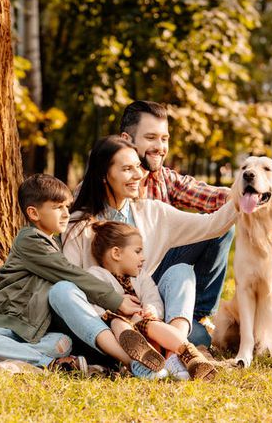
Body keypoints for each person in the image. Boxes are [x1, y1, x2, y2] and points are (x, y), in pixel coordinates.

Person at [48, 136, 237, 370]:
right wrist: (115, 304)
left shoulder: (153, 212)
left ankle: (172, 354)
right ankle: (140, 355)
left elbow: (211, 226)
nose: (138, 174)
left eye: (137, 166)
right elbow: (75, 282)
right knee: (63, 291)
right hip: (105, 321)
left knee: (182, 274)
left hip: (148, 312)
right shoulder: (78, 226)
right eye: (127, 169)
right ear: (103, 175)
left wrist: (242, 197)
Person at [0, 174, 159, 378]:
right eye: (57, 207)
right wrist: (116, 301)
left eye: (67, 207)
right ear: (33, 213)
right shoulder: (29, 240)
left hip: (36, 334)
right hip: (7, 325)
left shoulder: (56, 244)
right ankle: (50, 363)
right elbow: (69, 271)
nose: (65, 214)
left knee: (63, 343)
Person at [119, 100, 236, 346]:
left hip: (160, 271)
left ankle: (197, 316)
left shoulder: (163, 177)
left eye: (164, 138)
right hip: (124, 285)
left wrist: (247, 195)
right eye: (151, 137)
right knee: (197, 340)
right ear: (127, 139)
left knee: (221, 228)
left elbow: (209, 195)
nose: (160, 147)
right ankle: (172, 334)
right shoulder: (103, 184)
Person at [88, 220, 217, 380]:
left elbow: (153, 297)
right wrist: (122, 310)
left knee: (153, 325)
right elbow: (95, 305)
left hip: (143, 323)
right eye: (138, 252)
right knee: (120, 325)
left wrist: (151, 309)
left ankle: (188, 354)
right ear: (116, 253)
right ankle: (155, 364)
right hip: (119, 330)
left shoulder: (141, 277)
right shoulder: (96, 275)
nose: (143, 258)